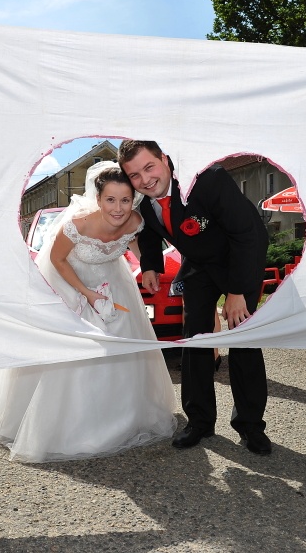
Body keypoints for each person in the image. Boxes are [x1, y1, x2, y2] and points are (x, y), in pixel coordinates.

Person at [0, 162, 176, 462]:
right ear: (98, 199)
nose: (118, 208)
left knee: (120, 350)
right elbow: (57, 260)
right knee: (75, 355)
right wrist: (86, 293)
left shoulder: (135, 221)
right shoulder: (78, 225)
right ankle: (66, 424)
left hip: (114, 284)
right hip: (70, 284)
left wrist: (148, 268)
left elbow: (136, 245)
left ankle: (119, 416)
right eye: (111, 200)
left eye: (125, 200)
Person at [118, 140, 271, 455]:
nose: (144, 180)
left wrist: (237, 292)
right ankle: (199, 421)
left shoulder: (209, 179)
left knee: (243, 340)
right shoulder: (144, 203)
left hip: (240, 260)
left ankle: (250, 426)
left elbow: (248, 234)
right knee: (194, 340)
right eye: (134, 175)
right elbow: (148, 232)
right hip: (199, 268)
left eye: (149, 167)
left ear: (165, 159)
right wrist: (151, 266)